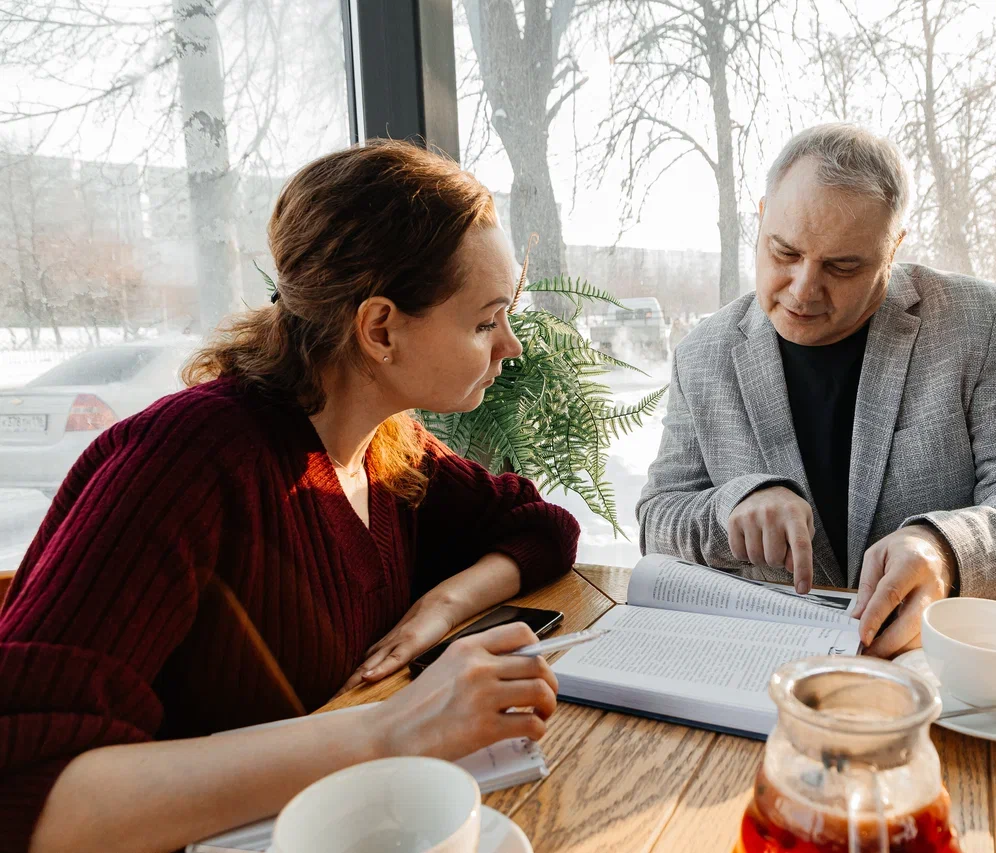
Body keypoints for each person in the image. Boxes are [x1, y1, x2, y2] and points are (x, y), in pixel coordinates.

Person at [0, 140, 579, 853]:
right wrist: (391, 730)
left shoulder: (387, 445)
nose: (510, 345)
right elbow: (23, 788)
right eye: (487, 321)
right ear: (380, 329)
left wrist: (445, 604)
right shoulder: (183, 463)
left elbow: (540, 525)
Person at [637, 123, 996, 658]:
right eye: (783, 252)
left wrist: (942, 550)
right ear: (760, 219)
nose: (803, 289)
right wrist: (733, 506)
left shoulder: (977, 323)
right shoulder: (704, 353)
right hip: (766, 667)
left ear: (893, 249)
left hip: (943, 669)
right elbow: (658, 517)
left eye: (843, 266)